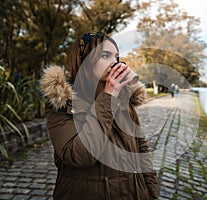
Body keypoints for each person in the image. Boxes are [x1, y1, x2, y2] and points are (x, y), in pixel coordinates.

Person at [40, 31, 158, 200]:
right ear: (84, 62)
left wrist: (151, 193)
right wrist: (108, 97)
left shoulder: (123, 100)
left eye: (116, 57)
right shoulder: (62, 104)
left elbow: (141, 149)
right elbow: (80, 156)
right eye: (105, 55)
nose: (115, 63)